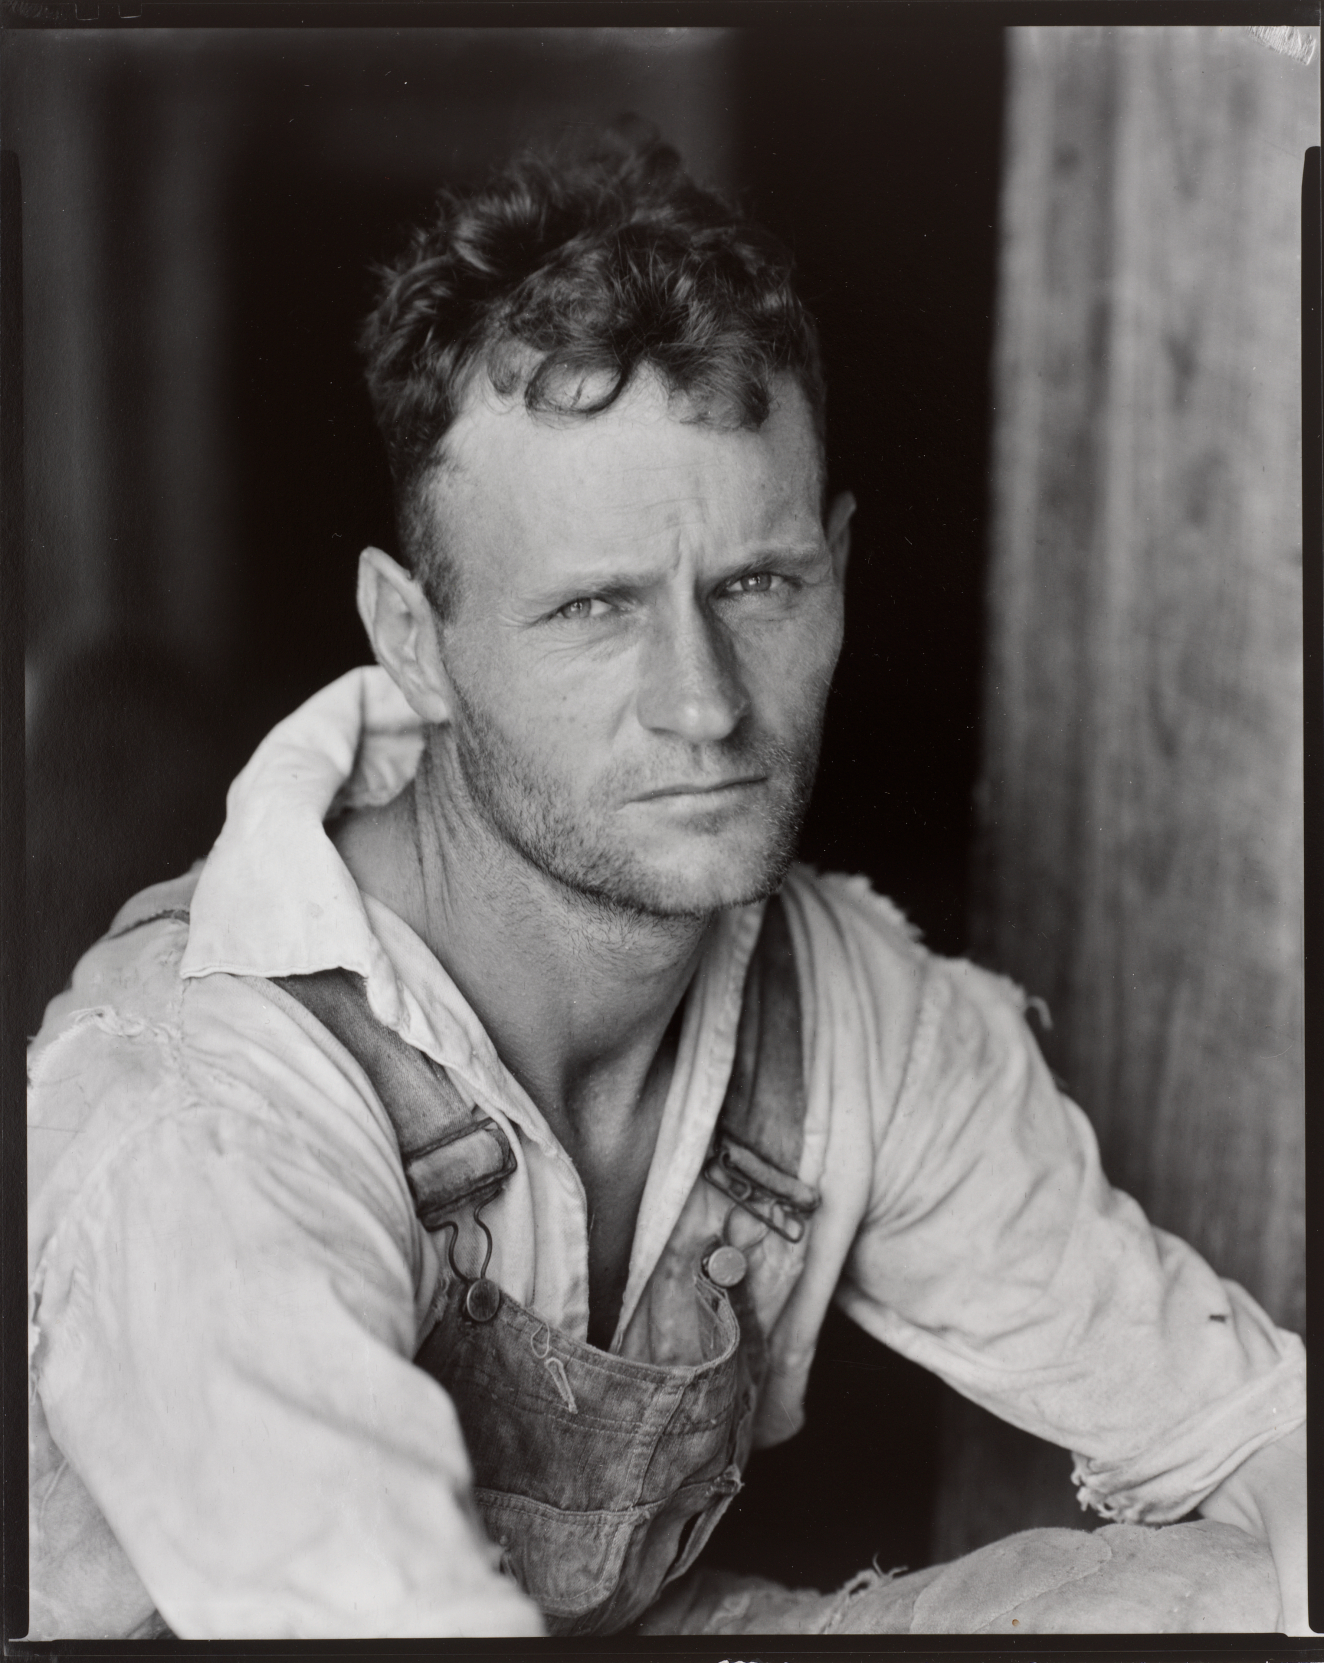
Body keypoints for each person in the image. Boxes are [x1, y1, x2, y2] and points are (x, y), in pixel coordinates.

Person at [26, 123, 1306, 1640]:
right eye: (594, 610)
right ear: (413, 637)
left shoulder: (849, 1016)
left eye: (757, 585)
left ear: (836, 573)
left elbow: (1253, 1434)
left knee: (1211, 1603)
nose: (703, 704)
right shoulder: (206, 1108)